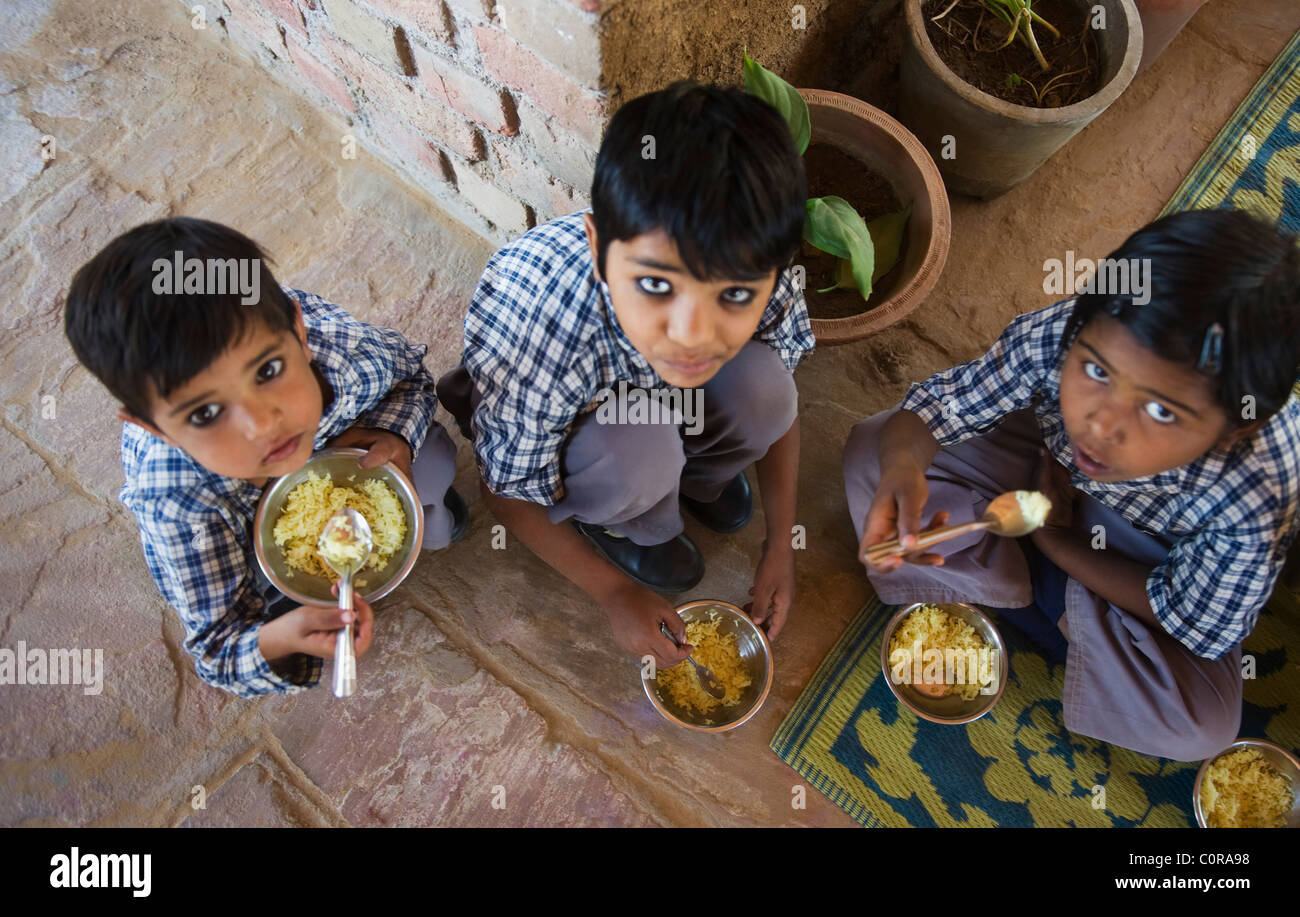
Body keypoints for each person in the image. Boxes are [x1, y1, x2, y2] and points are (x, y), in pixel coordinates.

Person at [844, 209, 1300, 760]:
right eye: (1098, 372)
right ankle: (1068, 615)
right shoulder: (1070, 332)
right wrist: (902, 470)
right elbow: (940, 409)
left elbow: (1183, 613)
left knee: (1199, 727)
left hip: (1153, 550)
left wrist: (1055, 540)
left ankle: (1033, 578)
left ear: (1236, 428)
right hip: (1043, 459)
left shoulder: (1259, 498)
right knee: (874, 453)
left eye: (1159, 409)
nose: (1100, 426)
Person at [437, 81, 813, 668]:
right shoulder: (539, 325)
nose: (692, 335)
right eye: (657, 286)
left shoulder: (760, 255)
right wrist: (613, 592)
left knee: (766, 388)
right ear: (597, 244)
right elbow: (505, 489)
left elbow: (781, 399)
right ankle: (636, 523)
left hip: (653, 408)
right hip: (594, 434)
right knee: (639, 449)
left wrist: (781, 546)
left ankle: (701, 480)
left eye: (735, 294)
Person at [64, 218, 466, 697]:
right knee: (270, 598)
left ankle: (437, 511)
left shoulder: (341, 352)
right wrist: (277, 639)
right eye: (207, 412)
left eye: (268, 370)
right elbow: (217, 651)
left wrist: (393, 436)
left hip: (349, 441)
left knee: (435, 467)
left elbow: (410, 379)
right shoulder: (176, 498)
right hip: (237, 527)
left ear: (298, 332)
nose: (262, 425)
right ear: (152, 427)